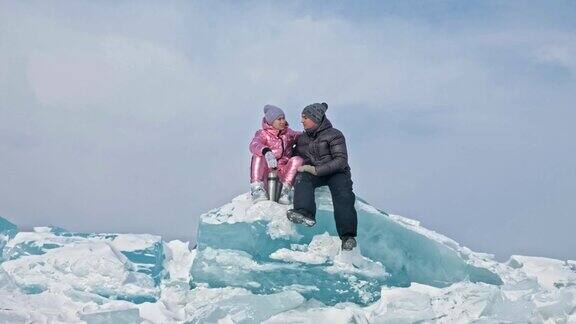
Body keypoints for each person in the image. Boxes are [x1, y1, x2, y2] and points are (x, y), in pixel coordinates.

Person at [287, 102, 358, 251]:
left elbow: (341, 160)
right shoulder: (302, 139)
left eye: (305, 117)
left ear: (315, 118)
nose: (301, 121)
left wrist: (316, 170)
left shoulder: (335, 135)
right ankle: (304, 212)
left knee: (343, 195)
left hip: (337, 172)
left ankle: (347, 237)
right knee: (302, 177)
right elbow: (293, 157)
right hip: (315, 173)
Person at [249, 104, 303, 204]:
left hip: (283, 171)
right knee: (258, 155)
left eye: (283, 118)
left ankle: (285, 191)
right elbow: (254, 144)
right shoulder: (262, 134)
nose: (283, 121)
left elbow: (300, 135)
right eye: (279, 119)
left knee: (298, 159)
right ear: (271, 121)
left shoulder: (288, 133)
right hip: (267, 171)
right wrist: (267, 152)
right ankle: (257, 189)